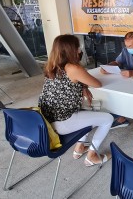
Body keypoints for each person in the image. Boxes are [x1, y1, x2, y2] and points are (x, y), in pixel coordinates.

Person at [38, 34, 114, 166]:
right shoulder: (73, 68)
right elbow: (97, 84)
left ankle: (79, 149)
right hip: (63, 122)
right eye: (77, 47)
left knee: (88, 111)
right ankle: (92, 156)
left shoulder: (52, 66)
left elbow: (71, 83)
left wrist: (83, 86)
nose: (80, 50)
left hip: (46, 120)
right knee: (107, 119)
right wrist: (84, 83)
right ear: (70, 50)